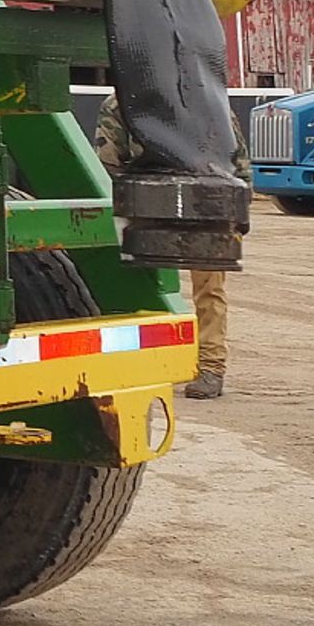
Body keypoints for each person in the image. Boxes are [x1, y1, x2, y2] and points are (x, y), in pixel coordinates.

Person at [95, 92, 247, 399]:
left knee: (209, 289)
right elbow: (108, 163)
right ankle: (149, 361)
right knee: (144, 287)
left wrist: (239, 213)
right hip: (149, 202)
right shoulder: (121, 104)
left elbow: (237, 158)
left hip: (207, 203)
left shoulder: (209, 101)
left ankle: (210, 367)